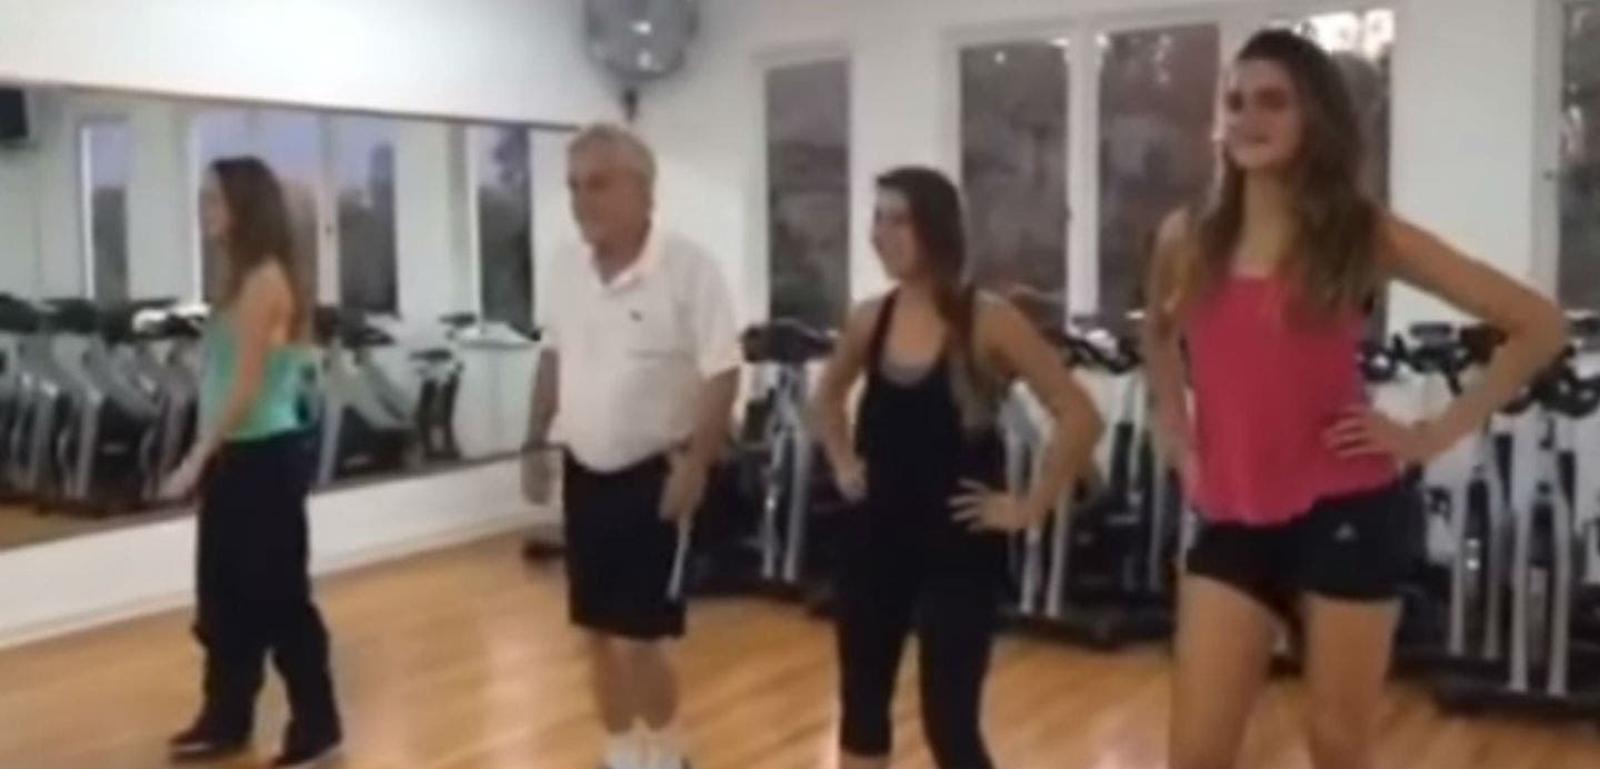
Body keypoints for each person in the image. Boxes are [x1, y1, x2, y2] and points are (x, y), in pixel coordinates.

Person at [1143, 30, 1568, 769]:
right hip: (1231, 515)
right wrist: (1175, 434)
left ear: (1314, 116)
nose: (1247, 118)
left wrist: (1432, 433)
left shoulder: (1360, 233)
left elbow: (1539, 323)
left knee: (1338, 747)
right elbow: (1156, 334)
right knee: (1196, 753)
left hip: (1343, 512)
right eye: (1235, 102)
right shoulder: (1189, 237)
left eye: (1272, 101)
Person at [812, 167, 1104, 769]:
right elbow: (827, 397)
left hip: (958, 546)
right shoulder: (870, 319)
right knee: (862, 714)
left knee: (950, 724)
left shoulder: (987, 320)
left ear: (936, 230)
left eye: (898, 220)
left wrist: (1030, 505)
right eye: (878, 219)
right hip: (874, 538)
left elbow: (1080, 415)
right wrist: (842, 461)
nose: (881, 234)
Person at [521, 124, 739, 769]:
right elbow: (553, 356)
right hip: (584, 473)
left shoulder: (689, 269)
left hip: (655, 476)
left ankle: (667, 756)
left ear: (642, 190)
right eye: (573, 186)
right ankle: (620, 755)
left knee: (639, 639)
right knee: (593, 632)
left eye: (597, 184)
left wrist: (696, 465)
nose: (581, 201)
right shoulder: (566, 268)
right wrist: (534, 440)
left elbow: (722, 372)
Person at [163, 157, 342, 769]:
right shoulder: (235, 280)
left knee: (279, 598)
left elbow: (244, 388)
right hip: (233, 457)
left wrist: (195, 458)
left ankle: (317, 726)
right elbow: (221, 377)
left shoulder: (267, 281)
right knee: (223, 598)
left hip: (264, 459)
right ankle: (226, 718)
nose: (204, 209)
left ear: (245, 207)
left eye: (214, 198)